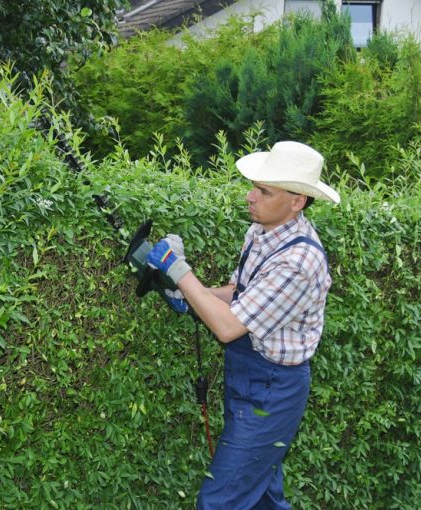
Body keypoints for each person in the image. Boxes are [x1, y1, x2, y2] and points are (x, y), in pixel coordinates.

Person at [146, 141, 340, 509]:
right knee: (263, 493)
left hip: (273, 390)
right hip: (248, 374)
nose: (251, 197)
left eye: (264, 191)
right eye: (254, 186)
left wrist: (179, 270)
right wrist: (191, 295)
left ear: (297, 201)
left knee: (219, 500)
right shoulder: (262, 232)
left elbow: (229, 327)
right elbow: (239, 294)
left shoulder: (299, 260)